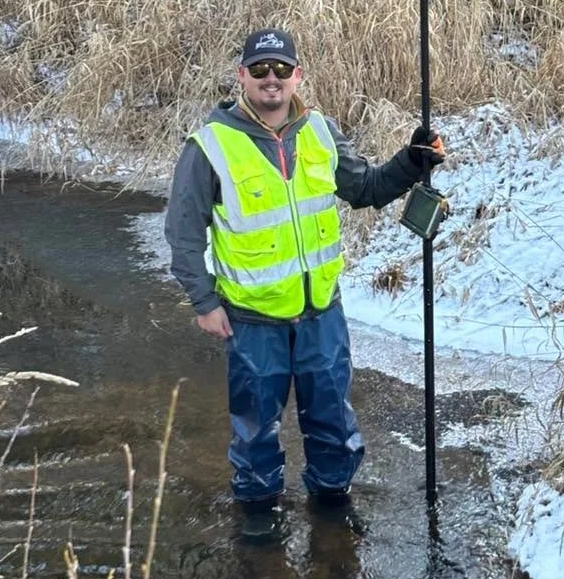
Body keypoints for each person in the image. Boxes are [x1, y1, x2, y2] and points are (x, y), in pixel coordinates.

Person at [164, 27, 444, 512]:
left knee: (333, 425)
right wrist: (204, 303)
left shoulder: (320, 131)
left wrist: (411, 162)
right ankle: (257, 528)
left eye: (280, 70)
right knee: (255, 434)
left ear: (297, 76)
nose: (270, 80)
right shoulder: (210, 146)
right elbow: (183, 231)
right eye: (259, 70)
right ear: (242, 78)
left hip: (322, 317)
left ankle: (334, 515)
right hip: (252, 323)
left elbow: (367, 189)